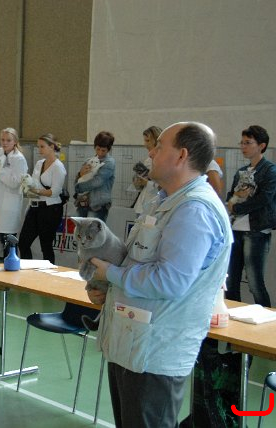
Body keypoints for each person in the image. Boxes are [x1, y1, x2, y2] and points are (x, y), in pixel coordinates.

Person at [88, 122, 232, 428]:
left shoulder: (195, 211)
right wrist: (107, 285)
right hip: (132, 345)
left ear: (181, 155)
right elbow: (139, 259)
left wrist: (112, 274)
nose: (151, 153)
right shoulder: (164, 200)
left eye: (160, 146)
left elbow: (170, 281)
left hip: (155, 354)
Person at [226, 125, 276, 308]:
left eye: (248, 143)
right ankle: (233, 320)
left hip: (257, 230)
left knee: (255, 283)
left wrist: (237, 207)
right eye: (242, 142)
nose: (243, 146)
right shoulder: (242, 170)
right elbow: (231, 194)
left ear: (261, 146)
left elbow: (264, 198)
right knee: (231, 281)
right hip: (235, 228)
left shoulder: (270, 170)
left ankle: (267, 321)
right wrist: (231, 202)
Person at [18, 133, 66, 264]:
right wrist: (28, 185)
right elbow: (34, 183)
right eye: (38, 146)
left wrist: (36, 191)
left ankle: (47, 273)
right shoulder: (39, 163)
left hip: (50, 208)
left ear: (52, 147)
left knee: (46, 245)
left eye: (42, 146)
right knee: (23, 242)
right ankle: (27, 269)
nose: (39, 150)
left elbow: (55, 192)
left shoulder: (58, 167)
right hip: (35, 206)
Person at [0, 127, 28, 252]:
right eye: (2, 140)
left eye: (8, 140)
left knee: (9, 240)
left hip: (10, 203)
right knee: (2, 238)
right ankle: (7, 262)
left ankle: (10, 261)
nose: (4, 143)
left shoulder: (19, 158)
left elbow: (15, 183)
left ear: (15, 141)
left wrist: (0, 172)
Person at [74, 131, 116, 221]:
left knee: (94, 229)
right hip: (83, 202)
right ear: (94, 147)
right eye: (98, 149)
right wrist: (80, 174)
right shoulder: (88, 161)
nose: (100, 153)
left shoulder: (109, 162)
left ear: (108, 150)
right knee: (80, 228)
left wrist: (79, 187)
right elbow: (78, 178)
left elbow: (97, 182)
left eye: (103, 150)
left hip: (98, 204)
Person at [133, 126, 163, 215]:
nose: (145, 144)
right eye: (145, 141)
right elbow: (141, 186)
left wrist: (147, 183)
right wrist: (138, 182)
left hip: (154, 204)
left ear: (156, 141)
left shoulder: (164, 162)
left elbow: (163, 186)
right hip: (142, 204)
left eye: (148, 140)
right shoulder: (148, 160)